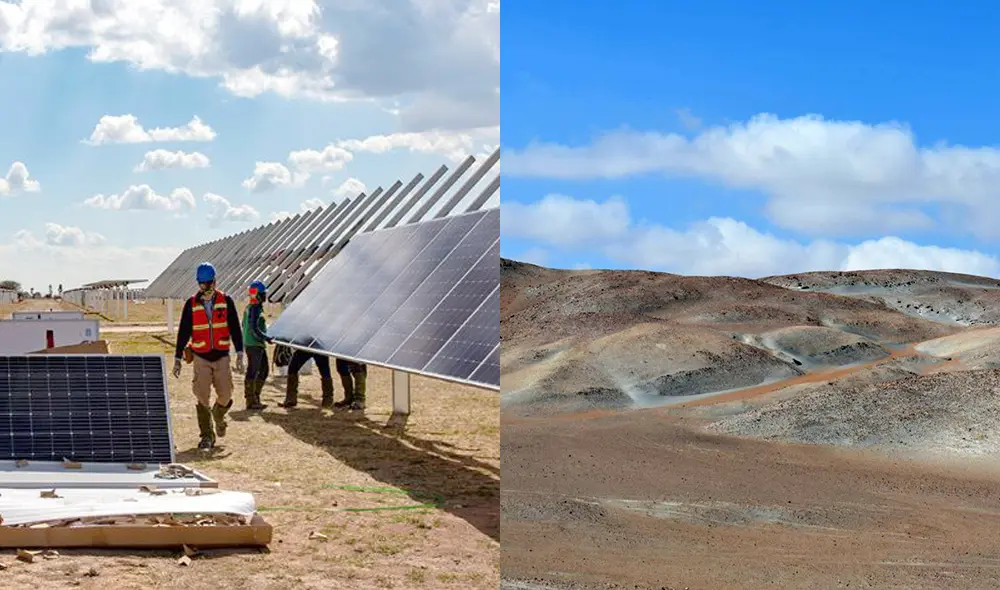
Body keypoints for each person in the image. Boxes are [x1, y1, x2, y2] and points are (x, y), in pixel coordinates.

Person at [172, 262, 245, 450]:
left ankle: (219, 414)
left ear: (215, 281)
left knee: (226, 394)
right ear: (198, 283)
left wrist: (239, 353)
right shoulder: (191, 304)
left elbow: (236, 327)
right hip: (201, 357)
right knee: (201, 395)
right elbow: (184, 331)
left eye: (209, 283)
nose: (206, 287)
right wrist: (178, 357)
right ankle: (207, 435)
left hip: (221, 356)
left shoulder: (226, 301)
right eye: (202, 284)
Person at [242, 280, 273, 412]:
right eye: (263, 294)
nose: (265, 297)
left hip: (255, 344)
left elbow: (245, 325)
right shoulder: (254, 309)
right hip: (254, 345)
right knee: (253, 371)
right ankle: (251, 400)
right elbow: (254, 329)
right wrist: (266, 338)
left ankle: (255, 397)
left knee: (264, 370)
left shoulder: (252, 307)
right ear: (258, 295)